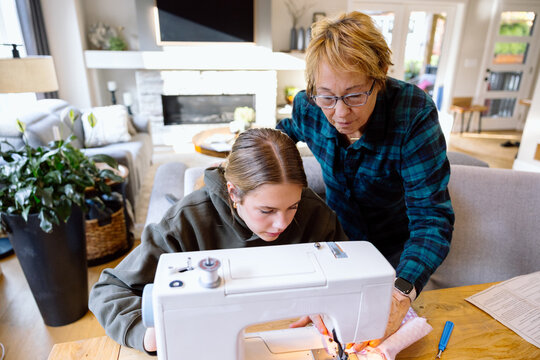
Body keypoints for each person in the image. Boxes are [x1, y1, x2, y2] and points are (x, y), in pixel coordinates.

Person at [276, 11, 455, 351]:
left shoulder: (413, 113)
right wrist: (236, 167)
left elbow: (432, 218)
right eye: (327, 96)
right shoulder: (308, 106)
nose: (340, 114)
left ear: (380, 77)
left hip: (396, 254)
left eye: (355, 95)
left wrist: (400, 292)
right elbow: (280, 138)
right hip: (335, 245)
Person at [89, 128, 348, 354]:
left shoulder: (314, 212)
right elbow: (109, 291)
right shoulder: (186, 221)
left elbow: (348, 275)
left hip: (290, 335)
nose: (283, 223)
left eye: (292, 206)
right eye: (267, 211)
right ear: (234, 192)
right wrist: (145, 333)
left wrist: (331, 304)